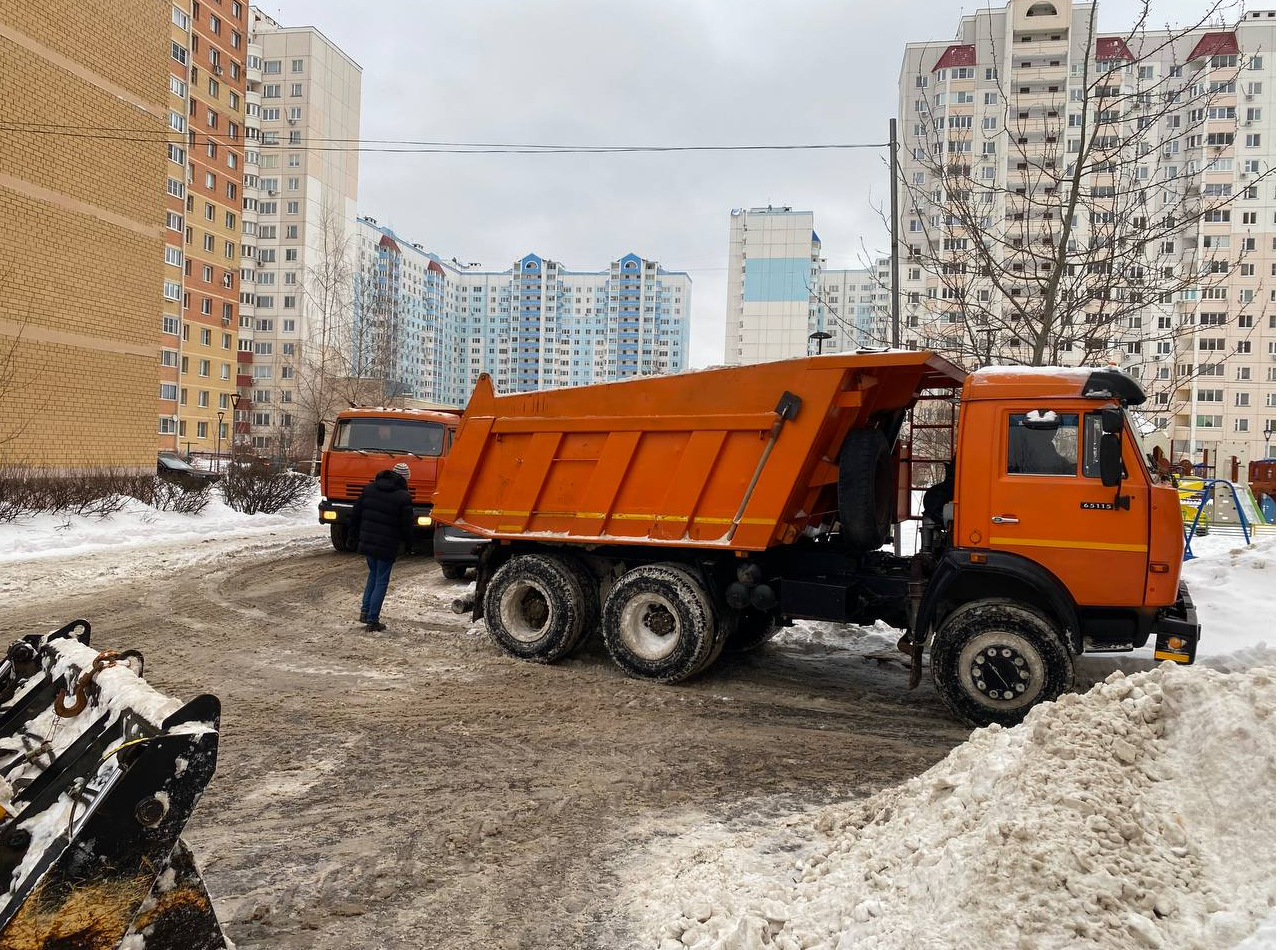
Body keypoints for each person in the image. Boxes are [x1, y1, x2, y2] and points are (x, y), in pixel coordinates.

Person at [350, 461, 414, 632]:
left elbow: (356, 513)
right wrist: (409, 544)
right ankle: (373, 619)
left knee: (373, 574)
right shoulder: (403, 496)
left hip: (368, 540)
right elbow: (407, 525)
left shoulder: (369, 489)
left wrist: (354, 536)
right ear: (405, 478)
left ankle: (365, 611)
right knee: (381, 580)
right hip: (387, 544)